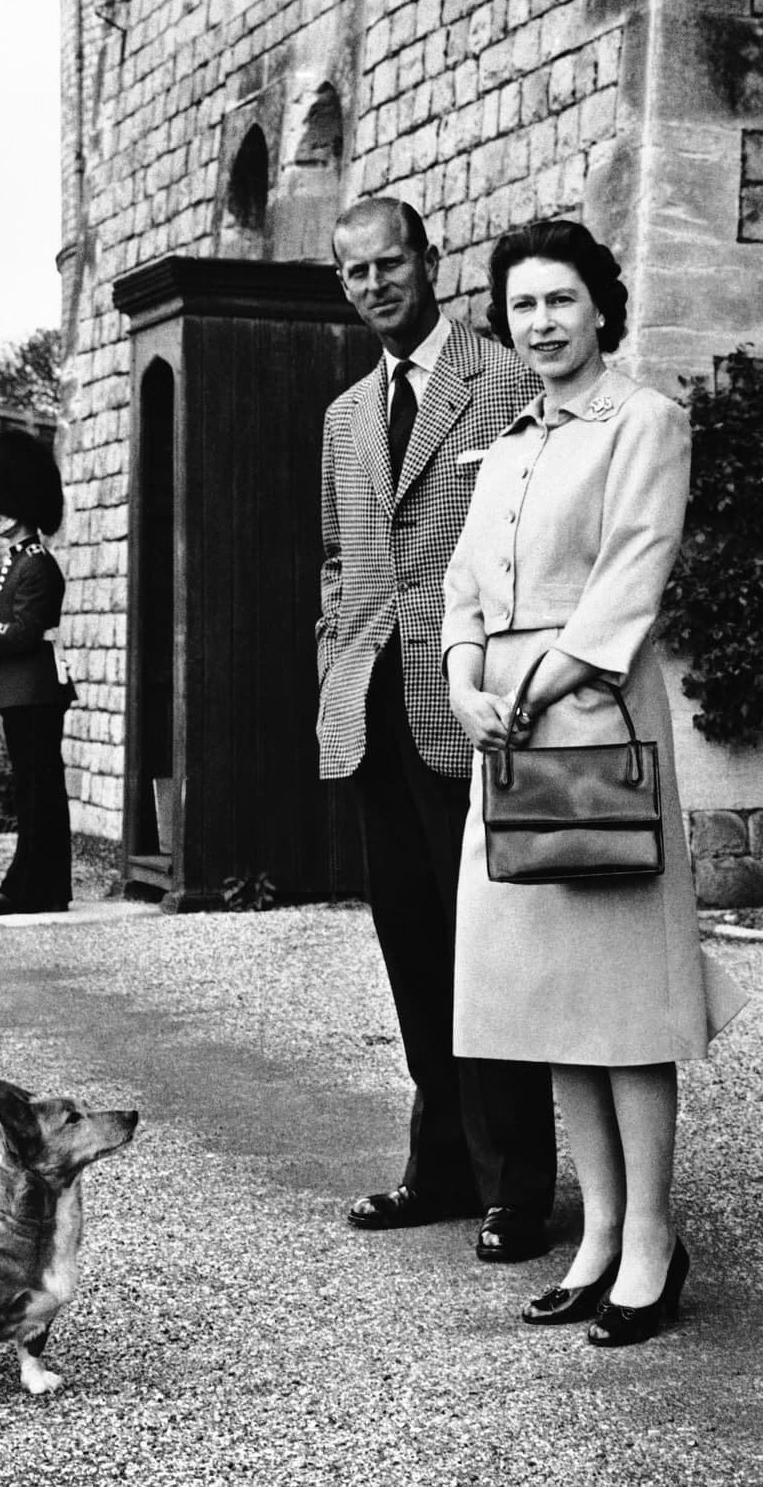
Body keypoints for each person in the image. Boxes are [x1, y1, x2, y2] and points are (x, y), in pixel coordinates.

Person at [443, 218, 748, 1344]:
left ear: (598, 305)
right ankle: (601, 1233)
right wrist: (467, 679)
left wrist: (541, 680)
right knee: (551, 1002)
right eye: (522, 306)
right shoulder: (508, 442)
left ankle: (654, 1240)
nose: (541, 324)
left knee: (622, 1001)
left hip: (594, 721)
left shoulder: (644, 421)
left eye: (560, 301)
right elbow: (461, 588)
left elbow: (632, 571)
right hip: (507, 735)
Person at [318, 196, 557, 1261]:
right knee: (412, 947)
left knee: (492, 950)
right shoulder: (340, 418)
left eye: (389, 264)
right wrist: (332, 647)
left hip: (473, 706)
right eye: (354, 272)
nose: (375, 285)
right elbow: (338, 561)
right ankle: (442, 1166)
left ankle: (517, 1184)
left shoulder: (503, 378)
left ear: (428, 261)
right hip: (372, 709)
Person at [0, 429, 75, 918]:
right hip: (18, 690)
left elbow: (24, 633)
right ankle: (39, 885)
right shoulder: (16, 563)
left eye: (7, 507)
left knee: (38, 791)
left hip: (35, 689)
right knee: (31, 790)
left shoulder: (38, 565)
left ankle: (32, 887)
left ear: (26, 509)